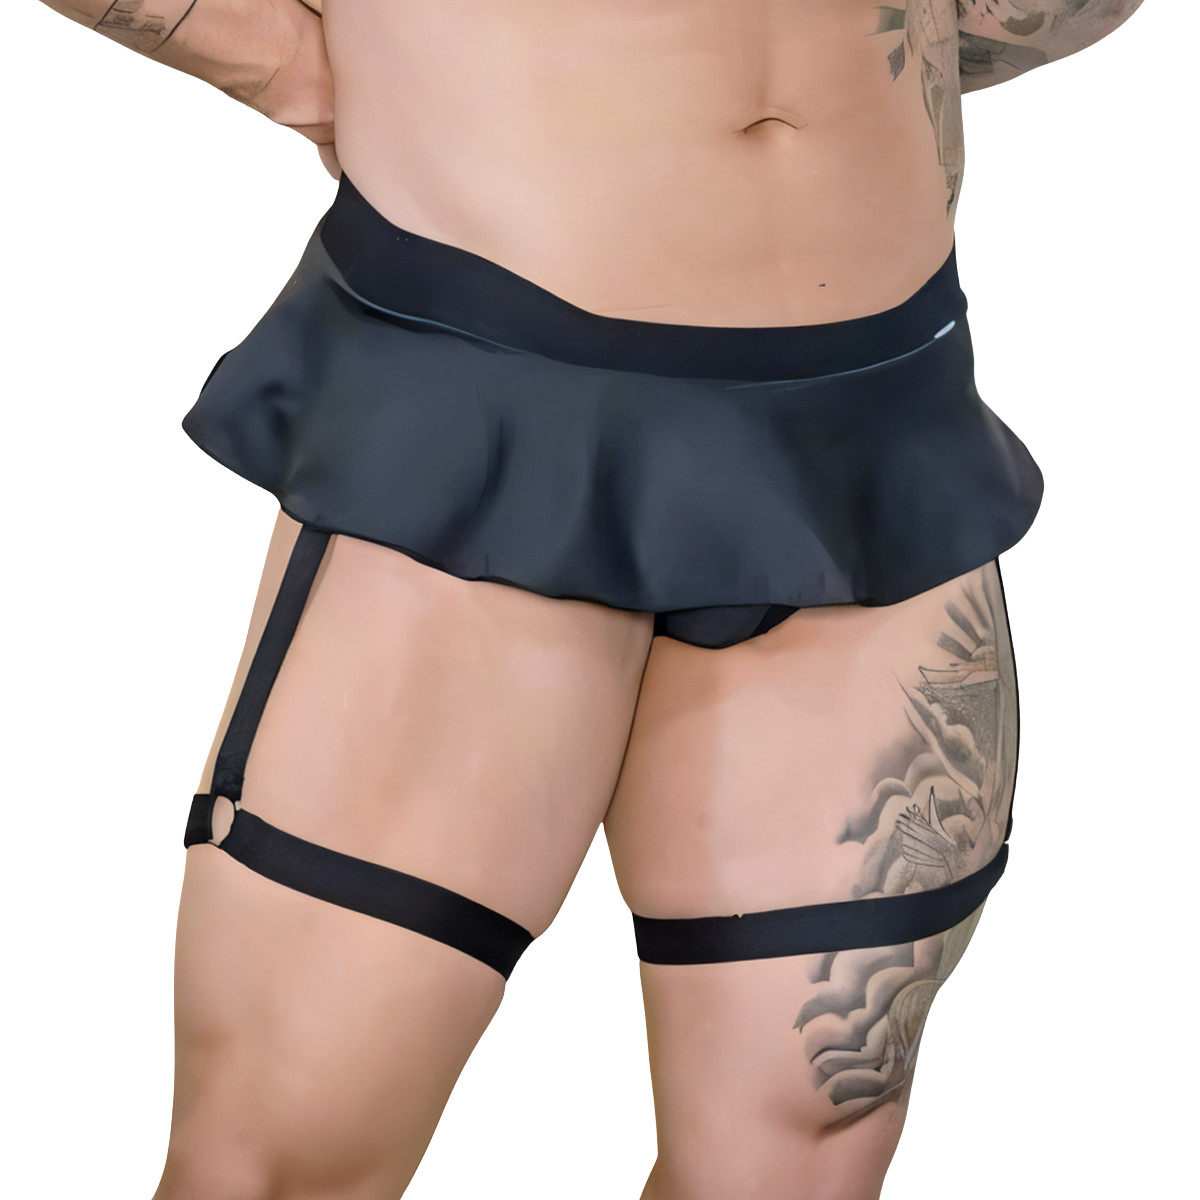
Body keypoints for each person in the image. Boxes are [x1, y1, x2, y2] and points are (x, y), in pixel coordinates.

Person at [36, 3, 1144, 1198]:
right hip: (488, 393)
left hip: (877, 420)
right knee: (287, 1151)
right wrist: (292, 64)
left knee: (799, 1148)